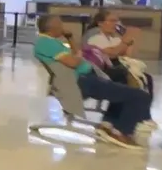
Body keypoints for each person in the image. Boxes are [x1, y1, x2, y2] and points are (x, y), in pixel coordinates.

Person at [33, 15, 152, 149]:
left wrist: (70, 38)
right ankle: (120, 132)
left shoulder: (52, 42)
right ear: (53, 28)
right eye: (61, 25)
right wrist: (79, 56)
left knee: (123, 87)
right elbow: (74, 62)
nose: (63, 27)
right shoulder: (46, 43)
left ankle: (109, 124)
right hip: (81, 82)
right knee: (139, 95)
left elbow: (76, 52)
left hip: (87, 78)